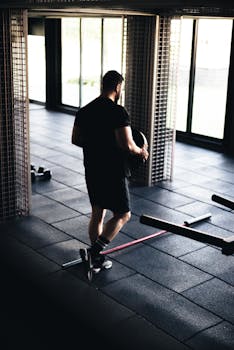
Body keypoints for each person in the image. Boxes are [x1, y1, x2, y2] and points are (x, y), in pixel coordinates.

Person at [72, 70, 148, 280]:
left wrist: (96, 144)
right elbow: (126, 144)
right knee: (123, 214)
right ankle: (94, 252)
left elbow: (76, 139)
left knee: (98, 212)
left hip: (92, 167)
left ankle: (95, 259)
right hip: (113, 170)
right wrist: (140, 151)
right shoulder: (118, 112)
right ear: (117, 87)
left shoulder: (85, 110)